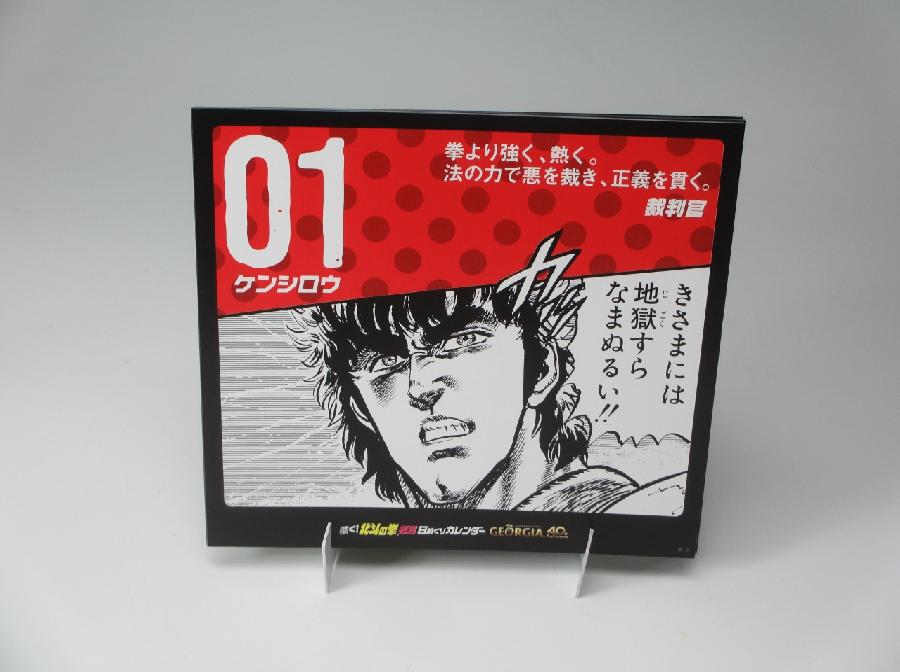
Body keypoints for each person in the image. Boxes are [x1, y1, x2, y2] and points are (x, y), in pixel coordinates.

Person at [289, 260, 642, 512]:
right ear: (360, 408)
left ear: (541, 369)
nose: (419, 386)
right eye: (386, 361)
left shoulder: (629, 512)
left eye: (462, 341)